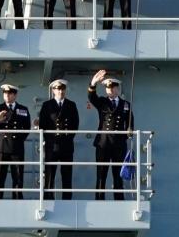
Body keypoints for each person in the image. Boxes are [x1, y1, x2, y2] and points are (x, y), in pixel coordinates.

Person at [86, 71, 134, 200]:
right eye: (108, 88)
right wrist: (93, 84)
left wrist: (129, 130)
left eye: (112, 87)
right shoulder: (102, 102)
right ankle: (99, 199)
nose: (110, 90)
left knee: (118, 174)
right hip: (103, 143)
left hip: (119, 144)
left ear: (117, 89)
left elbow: (130, 122)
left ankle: (119, 199)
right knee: (101, 174)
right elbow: (92, 98)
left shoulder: (126, 104)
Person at [0, 83, 30, 199]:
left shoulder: (23, 109)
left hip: (17, 148)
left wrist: (18, 140)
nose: (7, 95)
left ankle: (17, 200)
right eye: (5, 93)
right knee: (0, 177)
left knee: (18, 178)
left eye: (9, 93)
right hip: (2, 148)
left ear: (15, 95)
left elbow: (27, 128)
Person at [38, 79, 79, 200]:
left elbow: (75, 124)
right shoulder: (47, 105)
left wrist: (67, 138)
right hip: (52, 145)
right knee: (50, 173)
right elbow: (43, 125)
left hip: (66, 144)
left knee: (67, 174)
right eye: (58, 89)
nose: (60, 91)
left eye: (62, 89)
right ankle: (48, 197)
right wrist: (50, 140)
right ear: (53, 90)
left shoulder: (71, 105)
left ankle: (67, 199)